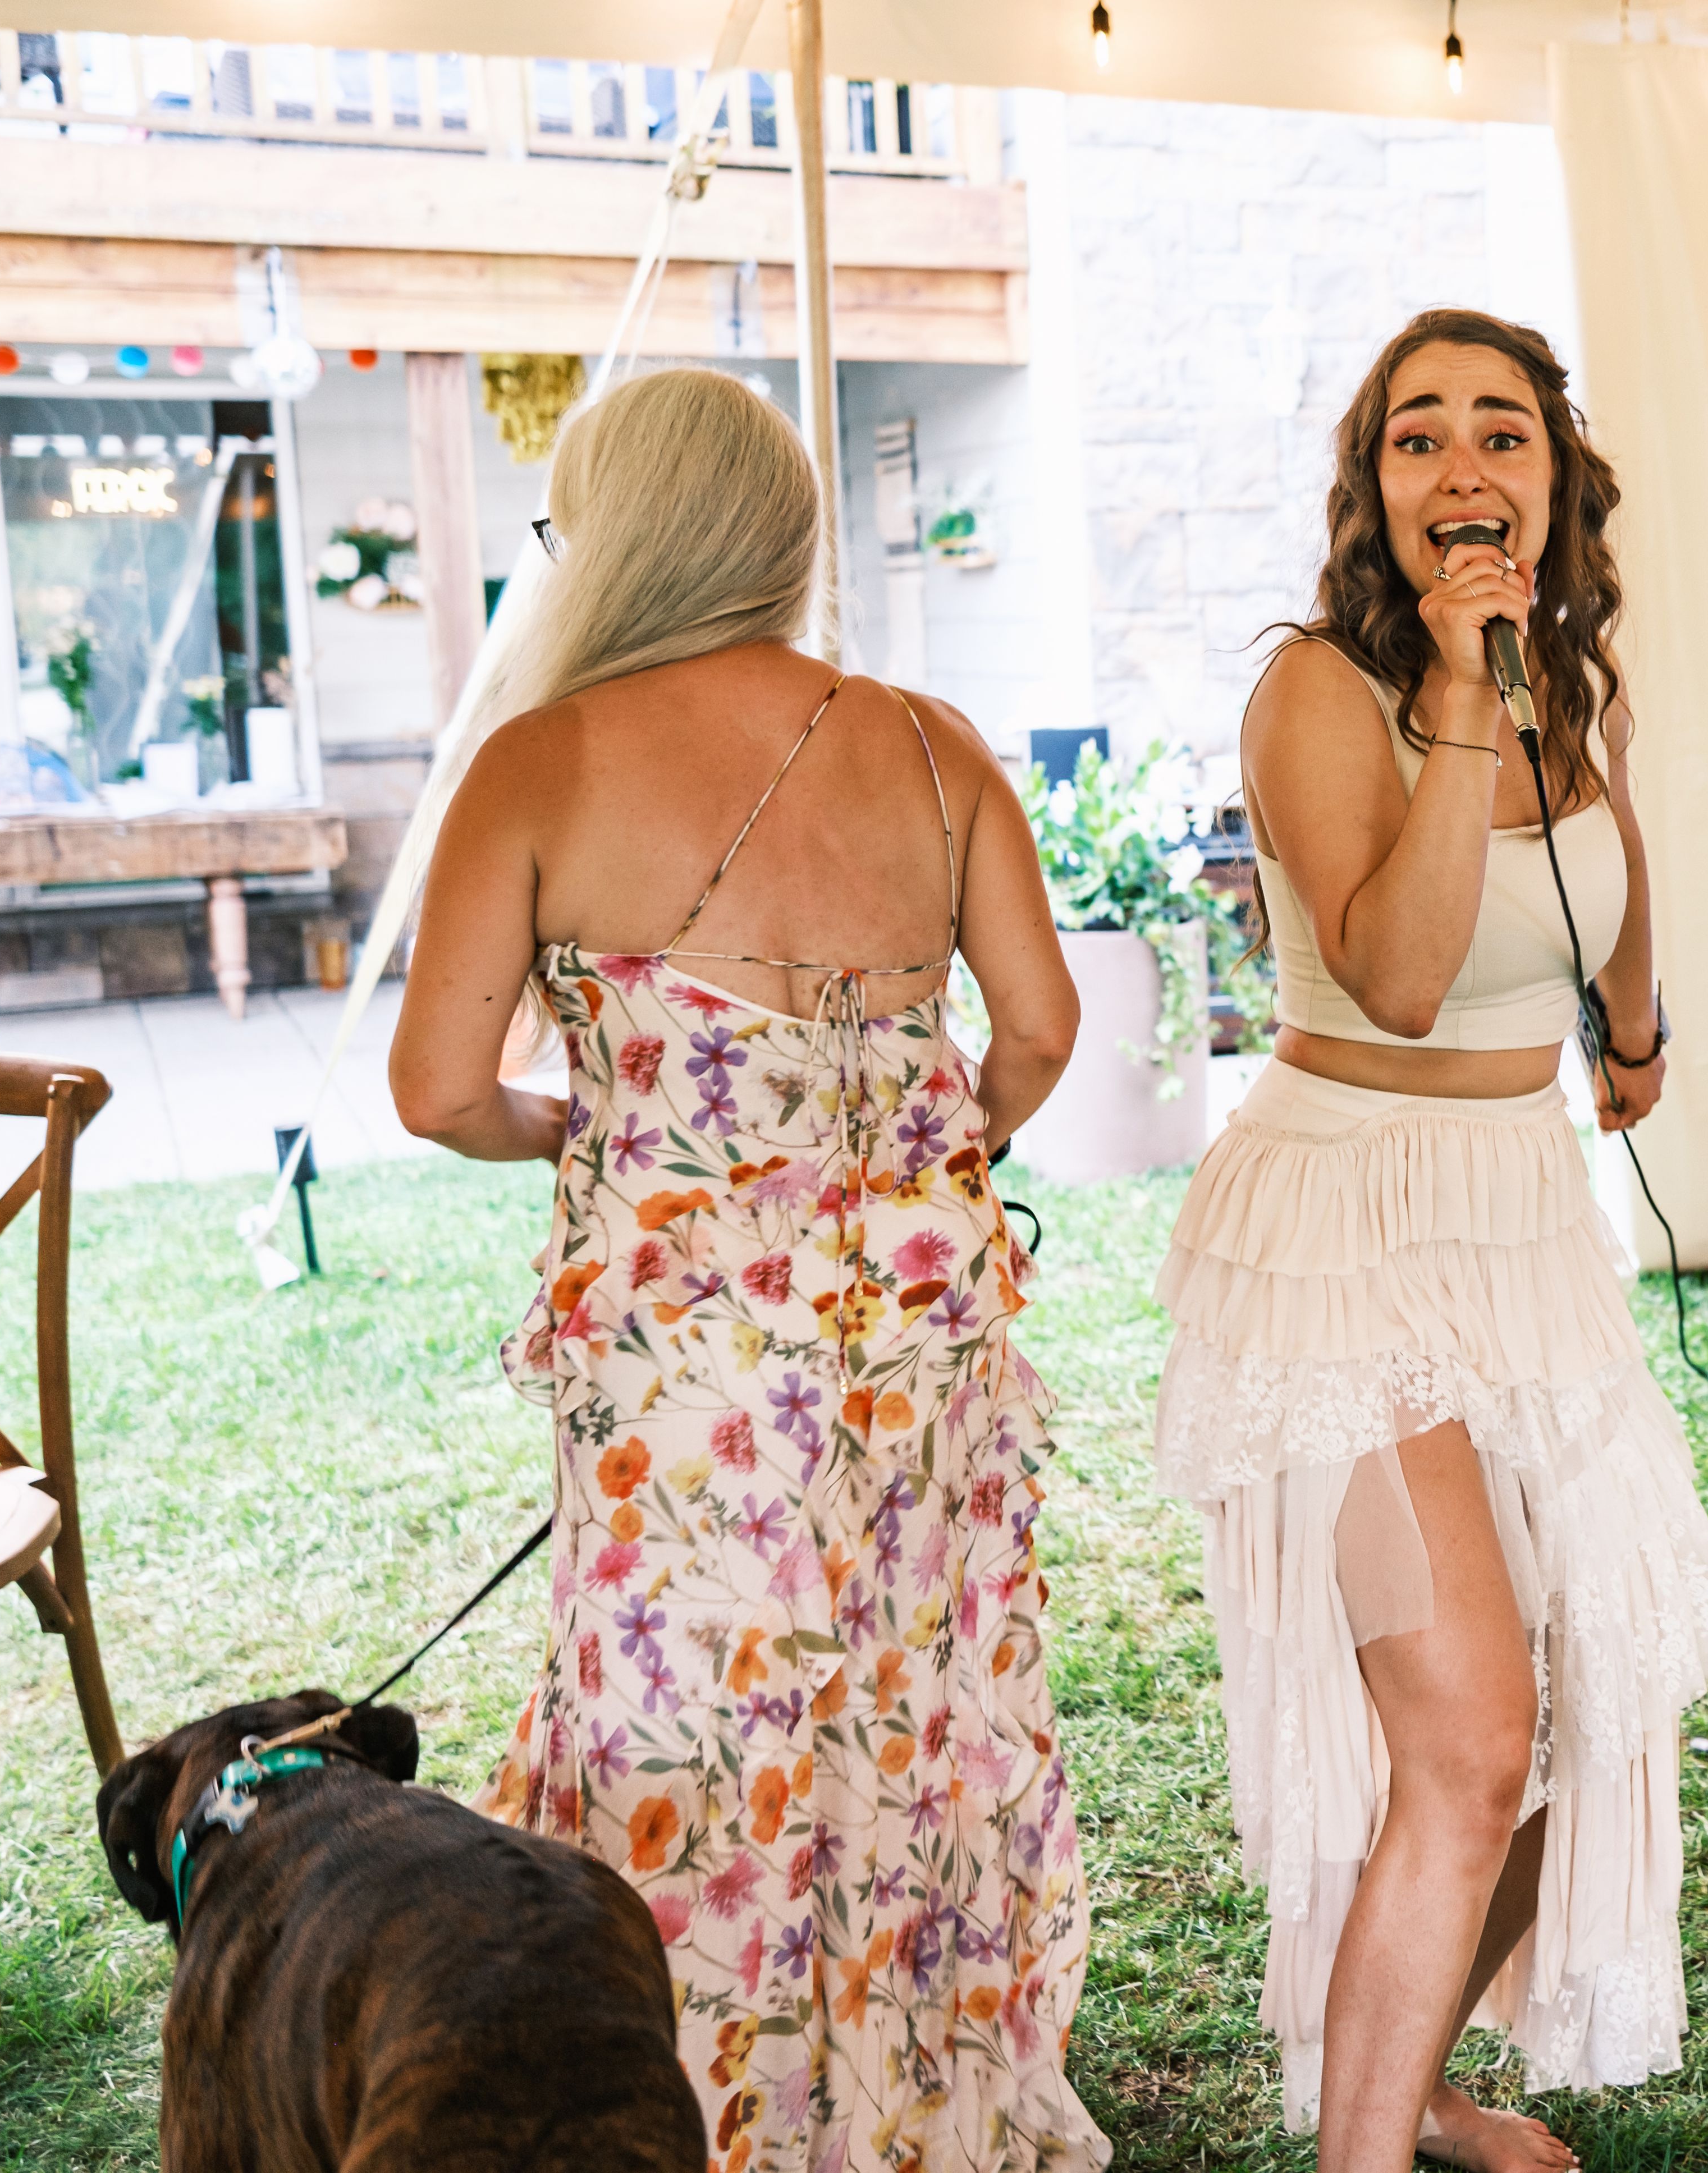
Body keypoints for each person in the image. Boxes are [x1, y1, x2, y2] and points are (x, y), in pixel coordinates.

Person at [389, 366, 1109, 2173]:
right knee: (903, 1699)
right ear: (777, 535)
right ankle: (914, 2098)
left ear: (620, 536)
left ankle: (685, 2106)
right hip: (914, 1347)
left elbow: (436, 1089)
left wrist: (586, 1134)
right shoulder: (938, 747)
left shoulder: (544, 762)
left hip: (691, 1375)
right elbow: (1038, 1032)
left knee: (689, 1719)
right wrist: (930, 1162)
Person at [1155, 310, 1708, 2173]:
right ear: (1376, 488)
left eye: (1504, 433)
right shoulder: (1320, 692)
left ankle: (1407, 2097)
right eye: (1421, 439)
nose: (1465, 468)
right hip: (1345, 1234)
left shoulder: (1581, 685)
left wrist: (1632, 1038)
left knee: (1611, 1677)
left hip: (1521, 1225)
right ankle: (1365, 2158)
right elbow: (1402, 980)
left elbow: (1609, 875)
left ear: (1557, 479)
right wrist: (1466, 696)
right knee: (1477, 1734)